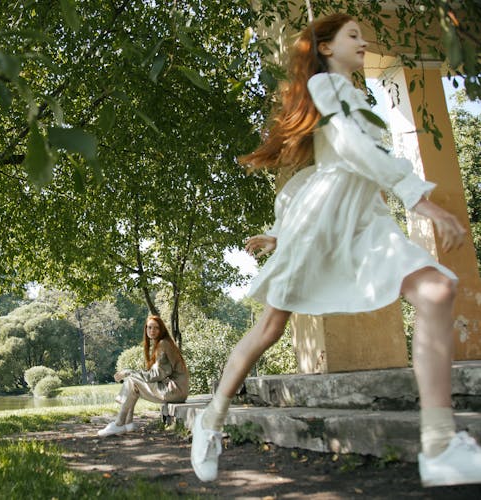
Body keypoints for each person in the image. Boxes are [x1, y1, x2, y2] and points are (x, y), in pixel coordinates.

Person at [190, 13, 481, 487]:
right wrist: (421, 201)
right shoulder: (327, 90)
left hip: (365, 222)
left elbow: (344, 171)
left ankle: (440, 444)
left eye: (363, 36)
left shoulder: (357, 96)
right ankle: (210, 421)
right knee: (270, 327)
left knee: (436, 292)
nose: (364, 42)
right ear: (325, 48)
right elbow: (347, 153)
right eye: (353, 36)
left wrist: (283, 232)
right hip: (326, 223)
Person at [98, 315, 189, 437]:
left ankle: (120, 423)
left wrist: (127, 372)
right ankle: (128, 422)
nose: (152, 331)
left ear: (161, 329)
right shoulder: (161, 344)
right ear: (146, 329)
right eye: (149, 327)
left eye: (156, 328)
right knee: (133, 382)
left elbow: (157, 374)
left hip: (174, 390)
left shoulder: (164, 344)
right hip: (175, 390)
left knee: (132, 380)